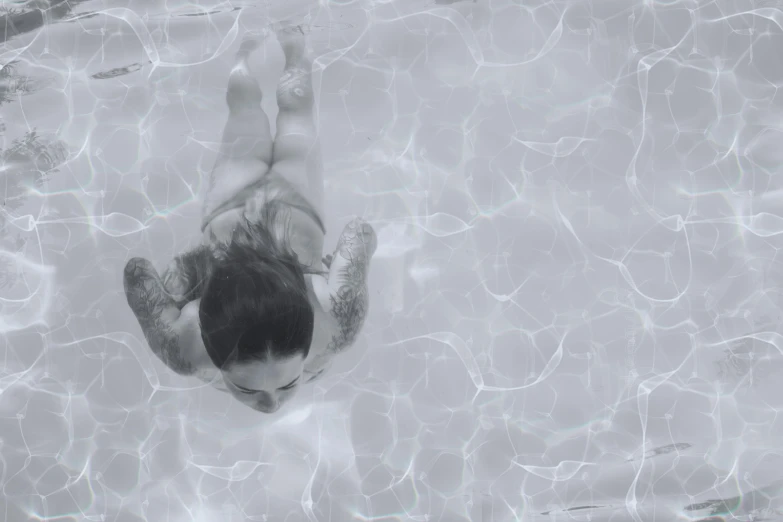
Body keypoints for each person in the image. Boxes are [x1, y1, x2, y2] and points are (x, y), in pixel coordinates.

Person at [122, 24, 377, 414]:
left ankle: (251, 52)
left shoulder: (183, 350)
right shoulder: (339, 325)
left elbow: (136, 272)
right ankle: (285, 48)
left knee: (255, 110)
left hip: (258, 200)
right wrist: (335, 280)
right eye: (244, 388)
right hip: (267, 201)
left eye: (253, 390)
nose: (272, 406)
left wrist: (327, 277)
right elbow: (360, 232)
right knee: (286, 108)